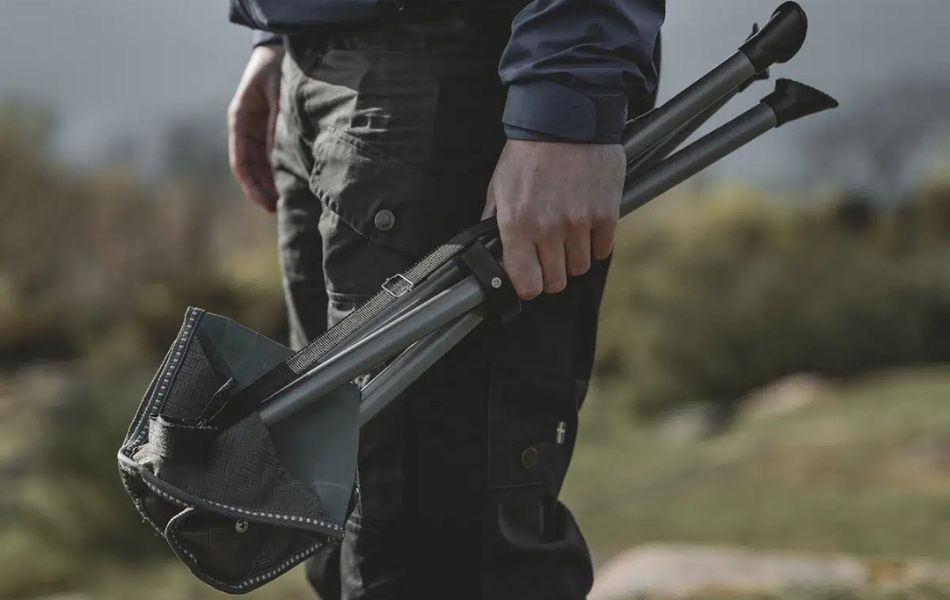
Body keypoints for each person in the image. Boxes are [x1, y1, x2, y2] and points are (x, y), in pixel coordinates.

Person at [227, 1, 663, 598]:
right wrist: (277, 32)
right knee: (339, 531)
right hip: (317, 61)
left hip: (463, 78)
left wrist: (566, 97)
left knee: (439, 558)